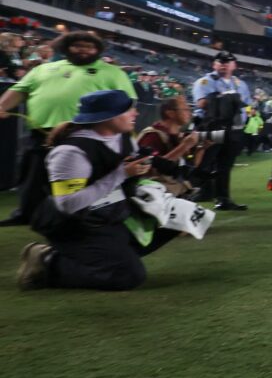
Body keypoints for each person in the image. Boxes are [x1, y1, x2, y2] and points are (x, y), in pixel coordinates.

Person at [16, 90, 182, 291]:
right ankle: (48, 261)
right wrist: (121, 173)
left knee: (178, 217)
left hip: (110, 215)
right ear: (106, 116)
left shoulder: (124, 137)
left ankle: (110, 256)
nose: (135, 113)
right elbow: (68, 205)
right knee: (128, 276)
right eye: (128, 109)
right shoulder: (70, 152)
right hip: (77, 226)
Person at [0, 31, 135, 226]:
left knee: (82, 178)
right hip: (42, 132)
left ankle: (82, 216)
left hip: (86, 135)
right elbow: (19, 90)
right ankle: (27, 213)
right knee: (33, 176)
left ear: (98, 50)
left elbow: (127, 103)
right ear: (66, 48)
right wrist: (2, 106)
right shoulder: (43, 69)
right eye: (78, 46)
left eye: (90, 47)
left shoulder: (113, 72)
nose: (84, 50)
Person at [192, 51, 251, 211]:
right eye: (220, 62)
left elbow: (247, 106)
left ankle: (223, 198)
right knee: (205, 162)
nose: (224, 64)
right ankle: (201, 191)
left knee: (225, 164)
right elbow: (202, 103)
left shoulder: (240, 84)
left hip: (233, 129)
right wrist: (226, 99)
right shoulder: (205, 81)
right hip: (212, 127)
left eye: (228, 62)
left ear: (234, 65)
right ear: (214, 64)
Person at [137, 96, 202, 197]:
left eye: (190, 109)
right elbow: (151, 170)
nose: (189, 113)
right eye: (185, 109)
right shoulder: (152, 135)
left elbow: (192, 165)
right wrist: (184, 146)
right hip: (154, 196)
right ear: (170, 113)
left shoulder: (178, 136)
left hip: (176, 191)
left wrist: (202, 148)